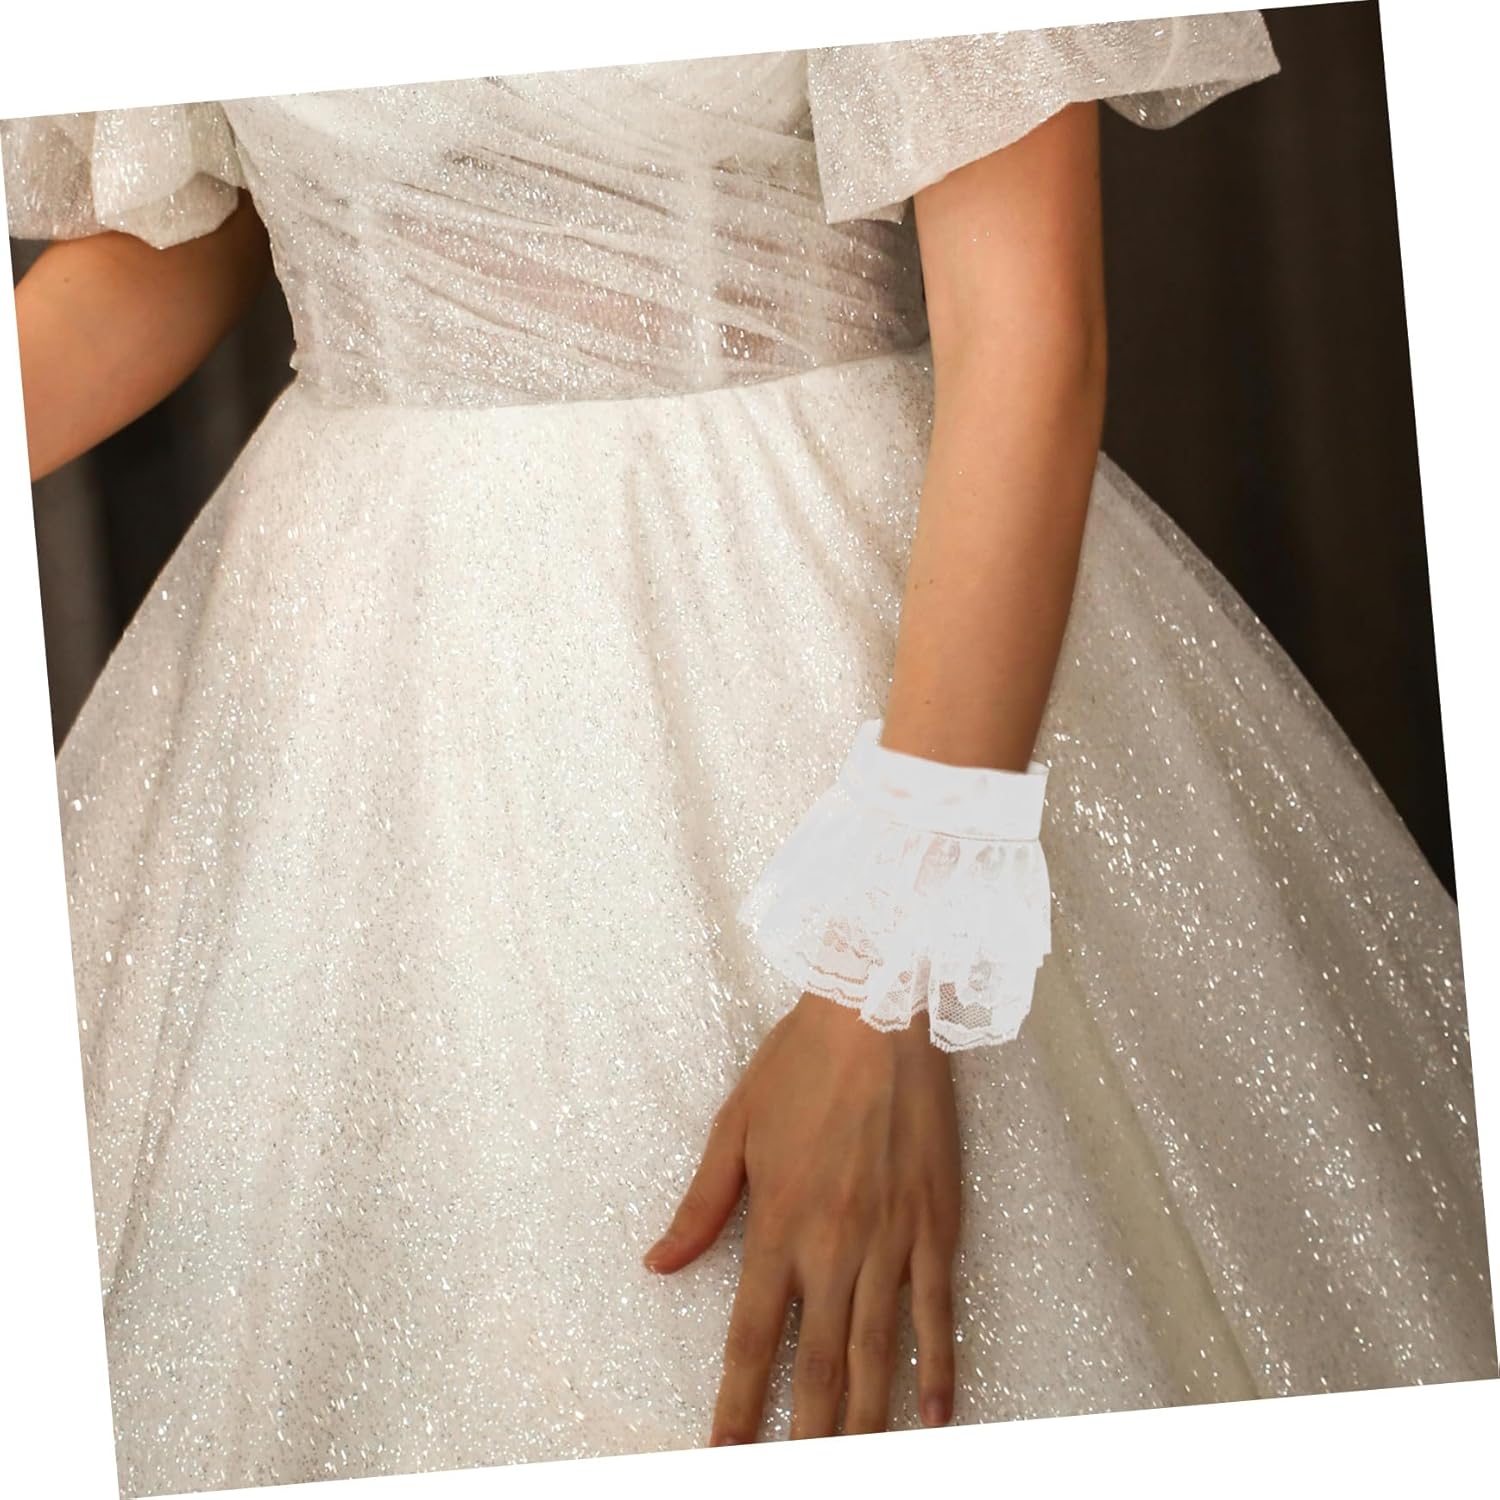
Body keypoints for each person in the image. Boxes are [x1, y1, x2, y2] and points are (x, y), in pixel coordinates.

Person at [5, 12, 1495, 1498]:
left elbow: (1030, 336)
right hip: (335, 688)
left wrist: (884, 972)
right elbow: (174, 233)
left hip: (816, 625)